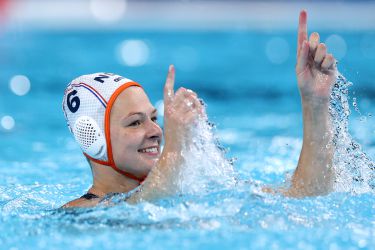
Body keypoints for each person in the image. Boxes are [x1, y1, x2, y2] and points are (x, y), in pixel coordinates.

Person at [61, 10, 337, 208]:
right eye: (135, 122)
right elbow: (132, 212)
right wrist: (176, 146)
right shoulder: (78, 214)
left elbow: (308, 196)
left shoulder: (192, 189)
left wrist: (314, 102)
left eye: (155, 118)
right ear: (93, 138)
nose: (156, 130)